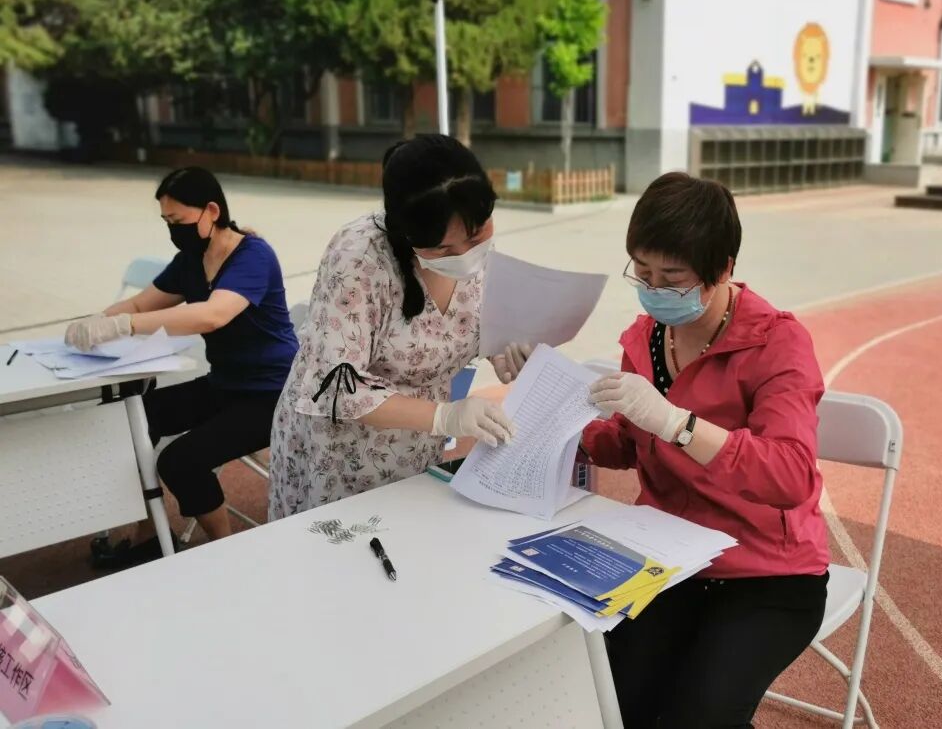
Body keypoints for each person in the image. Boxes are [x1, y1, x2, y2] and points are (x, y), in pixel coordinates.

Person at [583, 172, 829, 729]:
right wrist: (558, 417)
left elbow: (791, 475)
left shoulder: (777, 342)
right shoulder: (645, 336)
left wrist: (678, 424)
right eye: (642, 272)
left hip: (766, 571)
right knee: (610, 700)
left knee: (698, 715)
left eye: (672, 277)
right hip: (668, 555)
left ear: (723, 269)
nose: (653, 289)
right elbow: (626, 442)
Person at [269, 135, 530, 519]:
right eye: (443, 249)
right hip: (343, 453)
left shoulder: (473, 243)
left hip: (418, 447)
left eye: (476, 236)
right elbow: (336, 386)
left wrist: (502, 351)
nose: (465, 254)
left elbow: (462, 323)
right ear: (407, 235)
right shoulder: (359, 259)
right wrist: (445, 417)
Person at [66, 167, 298, 564]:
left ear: (211, 211)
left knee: (180, 461)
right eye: (166, 222)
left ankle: (226, 554)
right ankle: (150, 535)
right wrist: (99, 320)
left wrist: (125, 325)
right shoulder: (190, 260)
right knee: (126, 422)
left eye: (178, 220)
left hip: (272, 394)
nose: (173, 230)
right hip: (224, 384)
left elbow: (212, 315)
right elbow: (140, 303)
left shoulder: (253, 255)